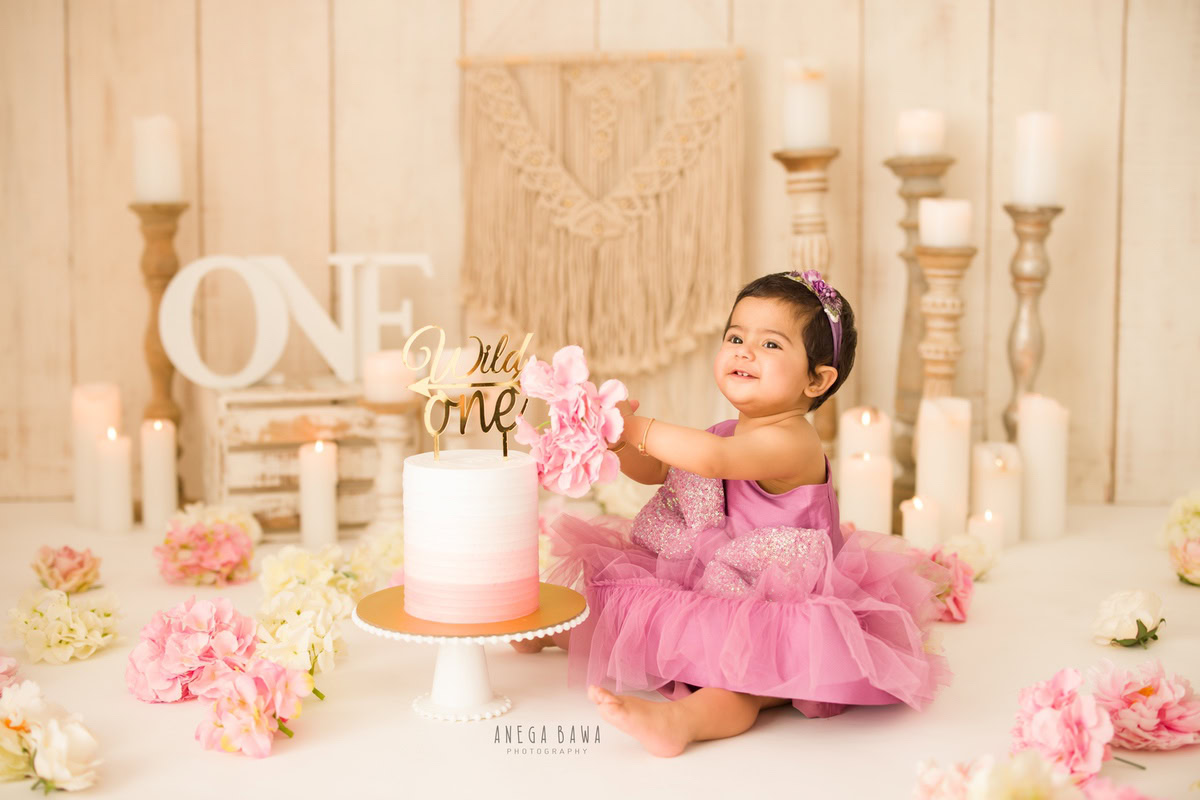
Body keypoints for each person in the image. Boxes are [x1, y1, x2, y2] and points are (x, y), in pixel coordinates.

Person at [512, 270, 952, 757]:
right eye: (736, 337)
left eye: (770, 344)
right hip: (711, 582)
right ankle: (560, 635)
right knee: (628, 621)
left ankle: (681, 721)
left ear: (816, 379)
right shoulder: (723, 432)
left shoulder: (792, 442)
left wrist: (637, 424)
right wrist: (618, 439)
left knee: (742, 681)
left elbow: (712, 461)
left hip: (778, 605)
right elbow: (658, 467)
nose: (744, 351)